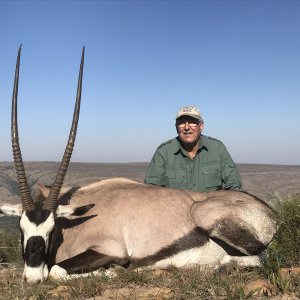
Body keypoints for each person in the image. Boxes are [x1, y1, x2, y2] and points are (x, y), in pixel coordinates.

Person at [144, 105, 243, 192]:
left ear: (201, 126)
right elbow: (150, 191)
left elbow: (235, 187)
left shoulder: (217, 148)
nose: (187, 127)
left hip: (211, 211)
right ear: (176, 127)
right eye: (181, 123)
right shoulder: (164, 152)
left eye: (192, 122)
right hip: (175, 211)